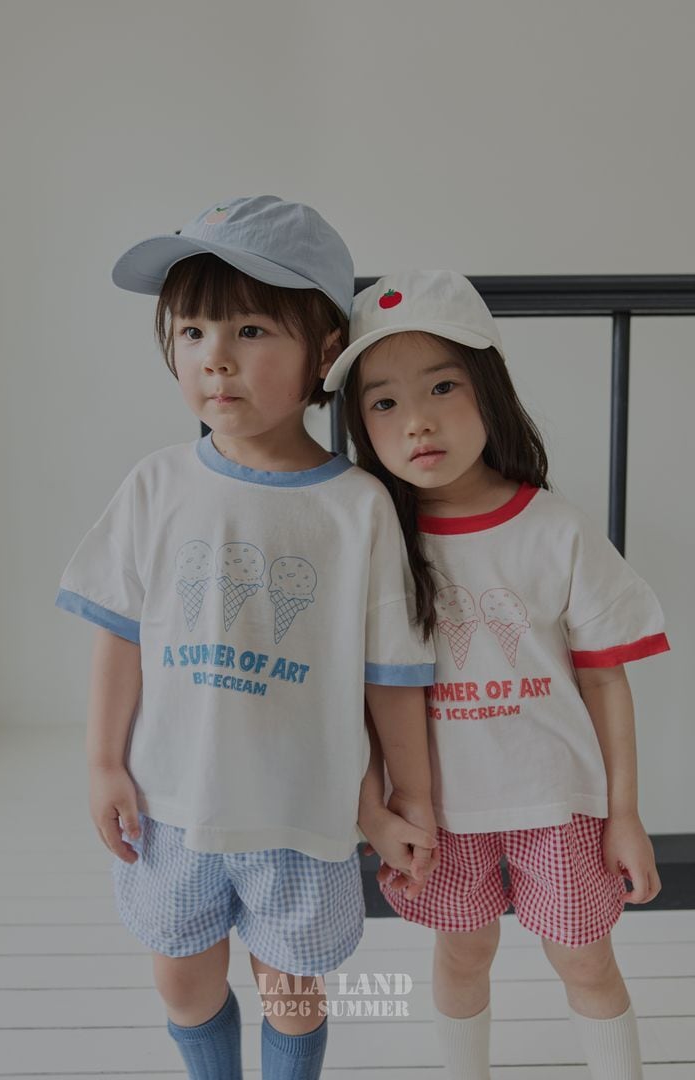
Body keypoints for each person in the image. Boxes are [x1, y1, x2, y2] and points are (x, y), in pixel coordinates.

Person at [55, 199, 438, 1080]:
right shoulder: (158, 485)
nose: (214, 358)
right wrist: (103, 762)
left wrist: (404, 798)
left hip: (303, 814)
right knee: (183, 982)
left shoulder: (356, 509)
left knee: (293, 993)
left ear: (325, 353)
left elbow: (389, 673)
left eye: (251, 330)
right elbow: (119, 637)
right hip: (170, 807)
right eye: (192, 332)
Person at [327, 269, 670, 1080]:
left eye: (442, 386)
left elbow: (605, 681)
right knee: (462, 955)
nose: (417, 420)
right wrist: (374, 806)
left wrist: (624, 814)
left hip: (560, 804)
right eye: (384, 402)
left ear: (490, 389)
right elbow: (359, 700)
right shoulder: (373, 540)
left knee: (585, 959)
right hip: (442, 814)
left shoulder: (556, 530)